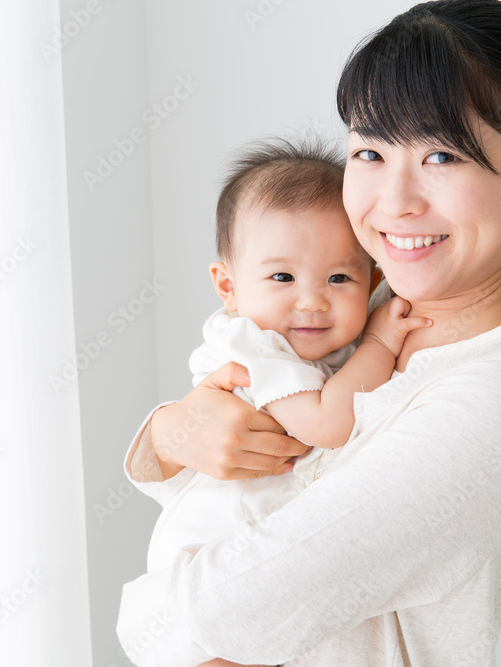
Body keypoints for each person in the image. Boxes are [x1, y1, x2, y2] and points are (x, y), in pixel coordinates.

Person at [116, 1, 501, 665]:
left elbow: (228, 607)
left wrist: (146, 608)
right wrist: (170, 432)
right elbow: (231, 487)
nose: (395, 200)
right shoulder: (357, 300)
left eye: (442, 155)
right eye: (369, 151)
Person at [136, 139, 431, 667]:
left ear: (373, 282)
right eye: (282, 277)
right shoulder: (253, 345)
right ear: (228, 286)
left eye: (340, 278)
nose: (312, 300)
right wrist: (382, 344)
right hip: (214, 561)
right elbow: (326, 423)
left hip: (260, 574)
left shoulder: (328, 344)